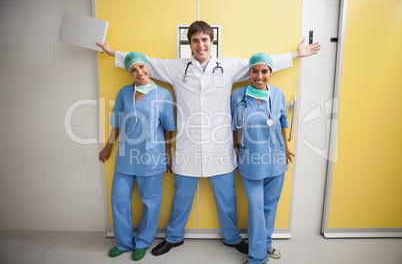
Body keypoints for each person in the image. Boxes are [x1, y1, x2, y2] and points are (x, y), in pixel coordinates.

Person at [97, 20, 320, 257]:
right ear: (189, 43)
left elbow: (261, 64)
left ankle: (232, 238)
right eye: (195, 40)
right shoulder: (177, 68)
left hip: (220, 145)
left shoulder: (228, 66)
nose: (200, 45)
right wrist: (114, 53)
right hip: (187, 145)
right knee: (181, 197)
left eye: (205, 40)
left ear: (212, 42)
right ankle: (173, 237)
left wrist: (296, 54)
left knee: (227, 199)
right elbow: (144, 62)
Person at [98, 51, 176, 261]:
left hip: (152, 156)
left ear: (148, 67)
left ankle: (142, 242)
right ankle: (124, 242)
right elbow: (117, 122)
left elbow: (168, 127)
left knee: (151, 202)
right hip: (126, 156)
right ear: (129, 73)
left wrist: (168, 154)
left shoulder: (164, 95)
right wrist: (108, 146)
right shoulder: (124, 93)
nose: (138, 72)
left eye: (141, 67)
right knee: (119, 199)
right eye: (133, 69)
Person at [231, 52, 294, 264]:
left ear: (270, 72)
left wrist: (285, 147)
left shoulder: (278, 94)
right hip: (250, 158)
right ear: (249, 72)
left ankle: (265, 244)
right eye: (255, 71)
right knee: (257, 207)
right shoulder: (238, 96)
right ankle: (257, 257)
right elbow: (234, 126)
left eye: (264, 71)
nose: (259, 76)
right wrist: (236, 148)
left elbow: (283, 122)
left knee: (270, 206)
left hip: (275, 156)